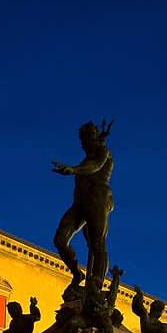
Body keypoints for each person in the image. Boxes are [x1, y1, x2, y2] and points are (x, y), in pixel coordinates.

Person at [52, 119, 114, 292]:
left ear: (94, 137)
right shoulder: (83, 161)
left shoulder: (103, 152)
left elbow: (94, 166)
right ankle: (77, 274)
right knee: (60, 240)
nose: (84, 143)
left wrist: (73, 170)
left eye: (88, 137)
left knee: (97, 243)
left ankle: (96, 287)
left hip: (98, 197)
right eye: (82, 139)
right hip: (79, 202)